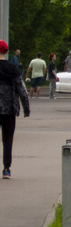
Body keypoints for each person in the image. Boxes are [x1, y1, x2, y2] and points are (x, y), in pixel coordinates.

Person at [0, 40, 30, 179]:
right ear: (6, 52)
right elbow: (21, 89)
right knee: (8, 139)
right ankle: (6, 168)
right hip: (9, 109)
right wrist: (26, 108)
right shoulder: (13, 69)